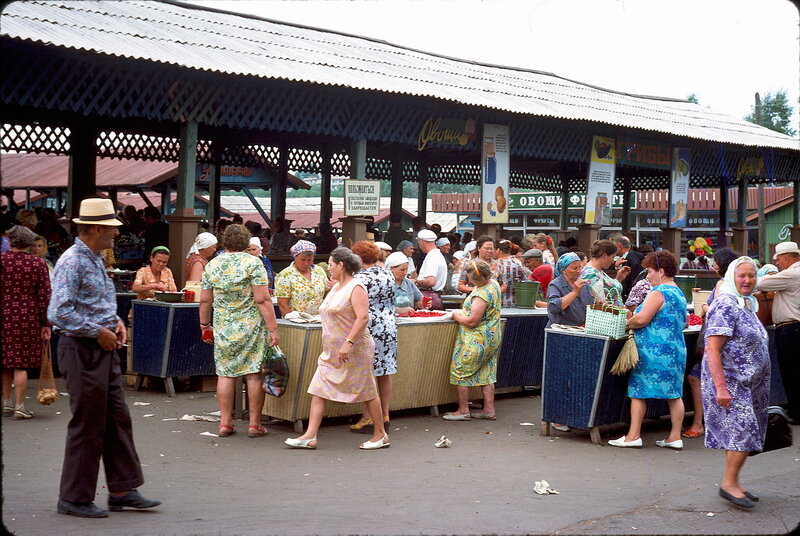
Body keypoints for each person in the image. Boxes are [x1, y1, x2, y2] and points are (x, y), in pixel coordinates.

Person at [48, 198, 160, 518]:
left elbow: (93, 303)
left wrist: (115, 323)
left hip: (100, 346)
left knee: (115, 418)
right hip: (82, 348)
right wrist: (97, 330)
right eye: (111, 229)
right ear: (95, 228)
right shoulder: (73, 261)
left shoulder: (93, 257)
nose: (115, 234)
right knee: (88, 423)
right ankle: (74, 496)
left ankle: (123, 489)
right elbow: (59, 312)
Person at [285, 247, 388, 450]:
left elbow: (363, 317)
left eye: (331, 264)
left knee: (367, 390)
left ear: (341, 265)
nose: (328, 268)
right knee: (318, 389)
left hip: (355, 348)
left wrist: (348, 343)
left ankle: (380, 434)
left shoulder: (356, 287)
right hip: (332, 351)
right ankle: (310, 435)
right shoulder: (336, 286)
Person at [702, 256, 770, 509]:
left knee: (741, 433)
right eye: (742, 275)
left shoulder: (746, 304)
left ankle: (733, 482)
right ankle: (729, 484)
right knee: (743, 430)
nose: (747, 280)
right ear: (732, 276)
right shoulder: (726, 304)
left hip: (747, 383)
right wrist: (721, 387)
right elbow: (712, 347)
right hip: (730, 382)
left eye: (751, 276)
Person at [200, 224, 279, 439]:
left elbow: (206, 299)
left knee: (225, 373)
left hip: (224, 325)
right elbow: (262, 299)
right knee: (253, 374)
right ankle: (254, 424)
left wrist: (204, 325)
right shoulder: (254, 263)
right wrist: (273, 328)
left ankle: (225, 422)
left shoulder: (213, 264)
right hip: (251, 326)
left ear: (224, 241)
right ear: (246, 242)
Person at [608, 251, 687, 449]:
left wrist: (629, 322)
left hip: (652, 351)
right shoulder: (679, 293)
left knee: (638, 392)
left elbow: (642, 319)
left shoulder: (658, 292)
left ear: (661, 271)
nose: (648, 275)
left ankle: (633, 435)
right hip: (676, 350)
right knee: (674, 394)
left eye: (650, 271)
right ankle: (675, 436)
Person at [684, 247, 742, 439]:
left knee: (696, 377)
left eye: (715, 261)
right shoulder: (737, 284)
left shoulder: (722, 284)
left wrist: (708, 307)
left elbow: (719, 311)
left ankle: (699, 423)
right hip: (731, 342)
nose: (713, 264)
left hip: (718, 342)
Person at [1, 226, 51, 419]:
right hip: (27, 316)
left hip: (3, 313)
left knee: (5, 361)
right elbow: (45, 295)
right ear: (29, 243)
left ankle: (6, 403)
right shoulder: (38, 263)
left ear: (11, 240)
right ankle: (20, 406)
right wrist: (46, 323)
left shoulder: (2, 260)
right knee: (20, 363)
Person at [443, 259, 502, 421]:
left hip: (476, 339)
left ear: (479, 278)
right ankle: (488, 410)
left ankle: (463, 410)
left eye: (471, 279)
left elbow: (471, 321)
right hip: (492, 336)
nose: (469, 281)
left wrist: (455, 315)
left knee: (460, 370)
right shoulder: (493, 285)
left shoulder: (481, 294)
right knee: (487, 371)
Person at [351, 241, 397, 430]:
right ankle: (384, 414)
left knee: (368, 372)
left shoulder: (360, 278)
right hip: (388, 325)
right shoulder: (387, 273)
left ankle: (369, 415)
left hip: (369, 326)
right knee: (384, 372)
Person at [755, 241, 800, 423]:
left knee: (792, 371)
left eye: (779, 260)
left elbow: (761, 283)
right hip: (793, 328)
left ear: (786, 258)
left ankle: (797, 412)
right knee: (794, 371)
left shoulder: (792, 274)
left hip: (791, 328)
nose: (778, 264)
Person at [274, 239, 328, 316]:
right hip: (296, 321)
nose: (306, 263)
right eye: (302, 260)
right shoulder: (285, 275)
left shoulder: (319, 271)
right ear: (295, 257)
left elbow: (326, 293)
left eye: (309, 260)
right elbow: (283, 304)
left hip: (319, 319)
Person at [545, 252, 593, 328]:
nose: (579, 270)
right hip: (560, 330)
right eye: (575, 268)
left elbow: (590, 305)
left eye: (580, 267)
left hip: (580, 330)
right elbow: (553, 307)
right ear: (563, 270)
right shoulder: (555, 284)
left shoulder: (583, 284)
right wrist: (574, 293)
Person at [580, 240, 630, 307]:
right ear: (604, 255)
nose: (613, 261)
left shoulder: (596, 271)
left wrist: (619, 279)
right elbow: (601, 304)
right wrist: (623, 311)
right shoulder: (591, 275)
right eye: (612, 257)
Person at [414, 229, 448, 310]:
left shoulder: (432, 257)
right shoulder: (437, 254)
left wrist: (415, 282)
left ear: (421, 242)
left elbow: (431, 281)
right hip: (435, 296)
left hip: (428, 297)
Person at [495, 240, 528, 307]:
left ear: (498, 250)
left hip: (499, 303)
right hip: (515, 302)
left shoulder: (496, 264)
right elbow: (524, 281)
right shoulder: (517, 263)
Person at [611, 234, 643, 301]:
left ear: (619, 246)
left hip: (629, 296)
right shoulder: (635, 256)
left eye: (615, 247)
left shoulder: (630, 259)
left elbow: (631, 278)